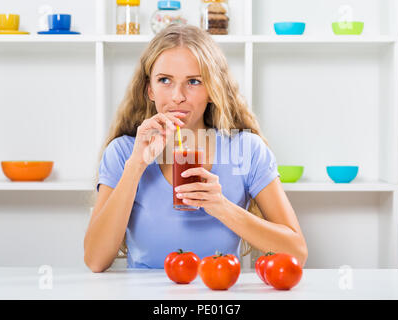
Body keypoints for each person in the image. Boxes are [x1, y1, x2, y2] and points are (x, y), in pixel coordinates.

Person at [84, 24, 308, 272]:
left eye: (193, 81)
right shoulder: (124, 152)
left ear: (213, 89)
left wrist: (221, 206)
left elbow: (297, 253)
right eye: (165, 80)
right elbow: (95, 260)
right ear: (150, 89)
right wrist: (136, 166)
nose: (177, 96)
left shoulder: (246, 150)